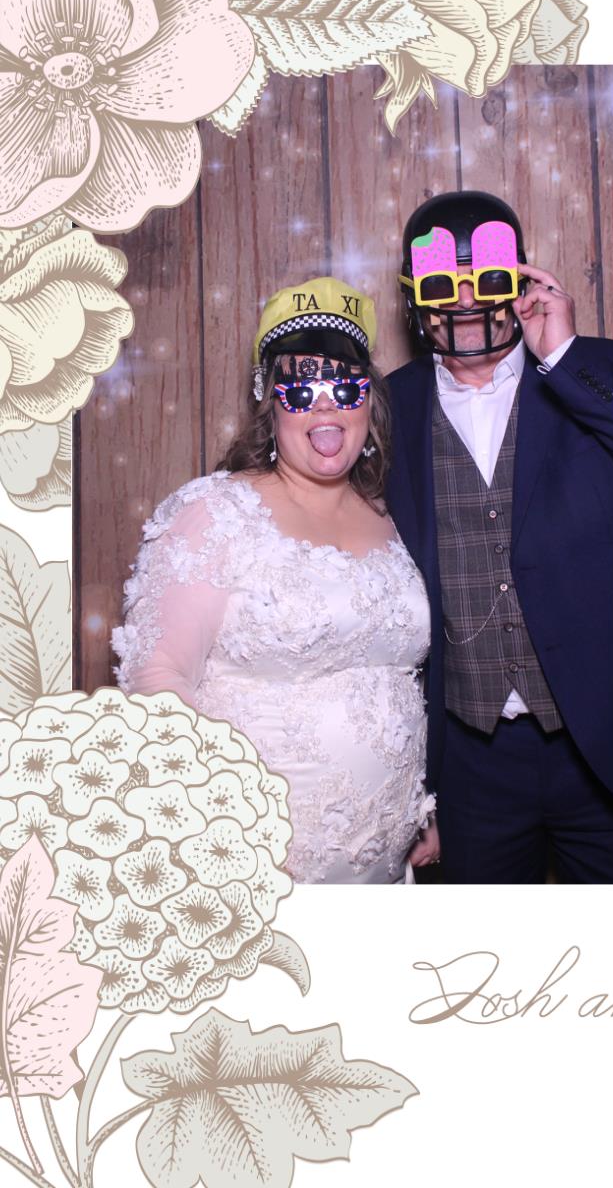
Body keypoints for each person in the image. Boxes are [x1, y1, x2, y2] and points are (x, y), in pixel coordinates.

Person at [114, 277, 434, 884]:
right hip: (258, 868)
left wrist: (422, 806)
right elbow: (154, 681)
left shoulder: (391, 516)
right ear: (269, 400)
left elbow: (400, 685)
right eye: (300, 388)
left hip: (387, 870)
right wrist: (230, 833)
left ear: (368, 401)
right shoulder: (214, 514)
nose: (325, 405)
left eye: (345, 386)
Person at [382, 190, 613, 884]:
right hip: (468, 756)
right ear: (413, 296)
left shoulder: (587, 372)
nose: (463, 301)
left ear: (520, 282)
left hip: (593, 739)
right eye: (441, 285)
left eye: (483, 280)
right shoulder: (388, 405)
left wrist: (564, 355)